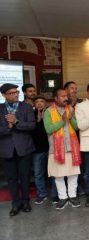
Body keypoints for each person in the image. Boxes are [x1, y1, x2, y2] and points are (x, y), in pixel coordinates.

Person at [0, 83, 35, 216]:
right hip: (6, 150)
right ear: (4, 95)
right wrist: (8, 127)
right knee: (11, 178)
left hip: (24, 148)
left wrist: (17, 122)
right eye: (12, 93)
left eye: (17, 92)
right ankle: (15, 203)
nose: (16, 94)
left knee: (25, 177)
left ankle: (26, 202)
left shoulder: (26, 107)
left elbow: (32, 126)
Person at [44, 88, 82, 210]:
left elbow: (76, 127)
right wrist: (63, 120)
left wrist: (70, 118)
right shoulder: (48, 111)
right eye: (62, 96)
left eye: (66, 96)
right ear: (55, 98)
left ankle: (72, 196)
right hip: (56, 149)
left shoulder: (70, 109)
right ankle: (63, 198)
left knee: (73, 174)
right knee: (58, 175)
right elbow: (49, 129)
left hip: (71, 147)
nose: (65, 98)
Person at [32, 95, 58, 205]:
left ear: (46, 103)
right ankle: (42, 194)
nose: (39, 104)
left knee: (54, 173)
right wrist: (37, 121)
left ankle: (55, 195)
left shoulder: (51, 114)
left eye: (42, 101)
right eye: (37, 102)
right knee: (38, 174)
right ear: (34, 104)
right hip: (37, 150)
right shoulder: (30, 115)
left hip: (51, 148)